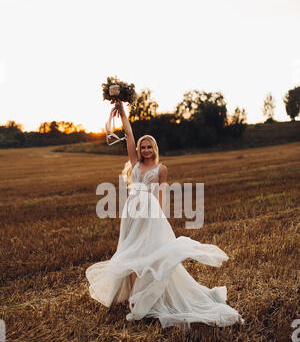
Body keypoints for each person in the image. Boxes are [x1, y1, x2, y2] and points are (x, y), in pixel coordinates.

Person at [85, 101, 244, 329]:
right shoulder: (135, 164)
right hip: (132, 211)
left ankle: (146, 297)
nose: (146, 150)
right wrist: (121, 109)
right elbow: (128, 134)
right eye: (143, 147)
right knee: (130, 251)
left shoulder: (161, 170)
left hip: (150, 212)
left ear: (155, 149)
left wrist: (160, 214)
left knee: (149, 252)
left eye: (149, 147)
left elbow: (160, 194)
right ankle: (134, 299)